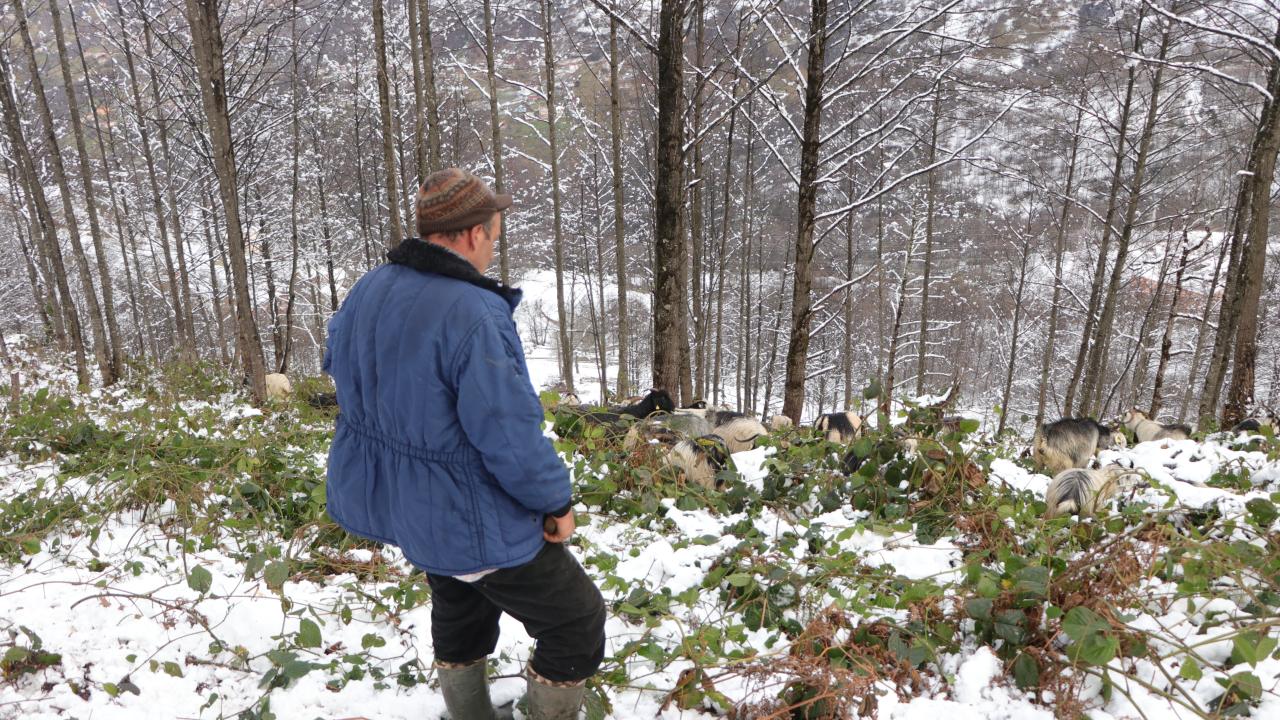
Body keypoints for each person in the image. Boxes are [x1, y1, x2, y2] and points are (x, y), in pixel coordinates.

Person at [323, 168, 606, 719]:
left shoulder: (370, 287)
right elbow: (508, 432)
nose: (492, 247)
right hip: (462, 507)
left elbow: (343, 369)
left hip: (407, 502)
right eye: (494, 235)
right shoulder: (472, 313)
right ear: (474, 233)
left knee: (460, 594)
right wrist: (555, 503)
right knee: (576, 620)